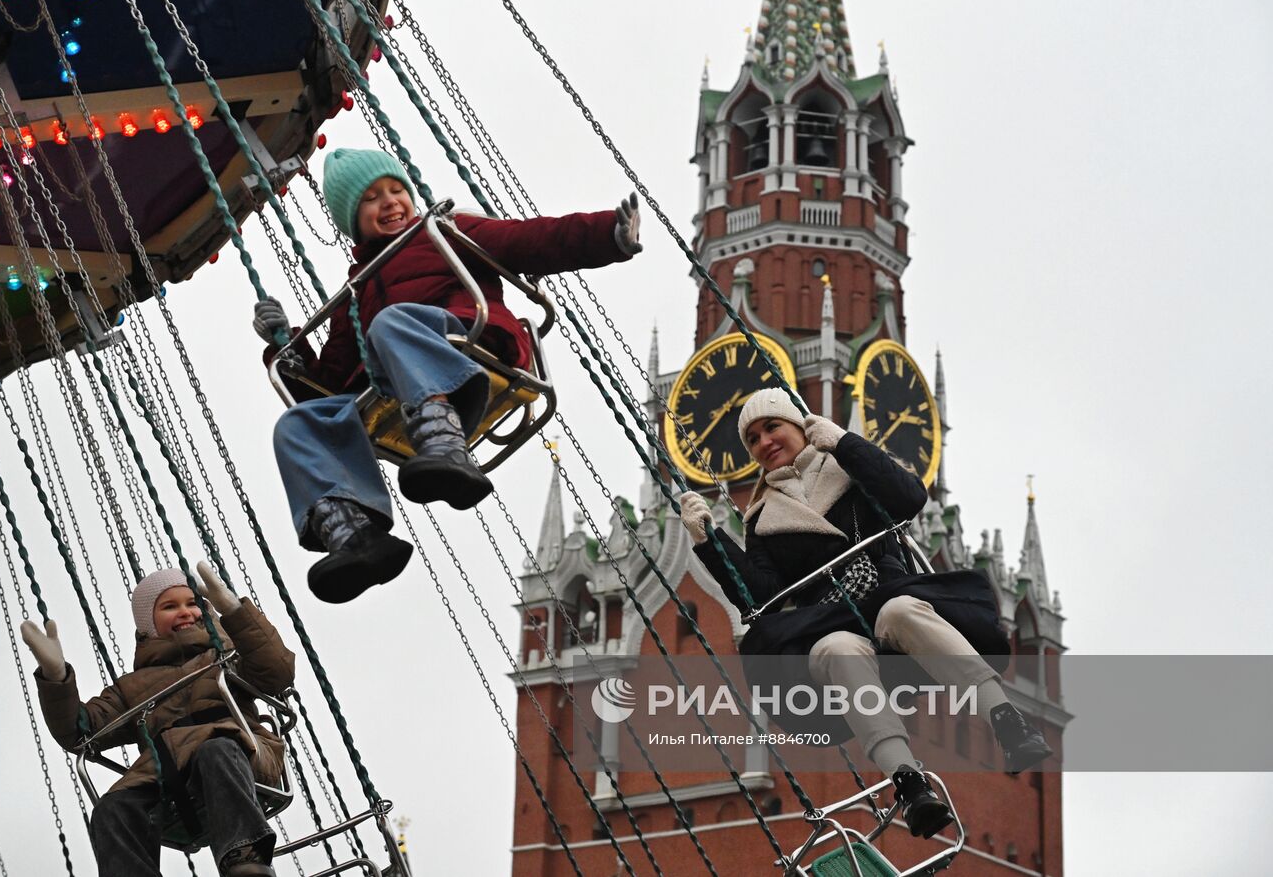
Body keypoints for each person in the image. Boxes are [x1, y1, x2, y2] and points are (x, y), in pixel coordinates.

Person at [256, 148, 641, 604]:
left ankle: (443, 435)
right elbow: (331, 382)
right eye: (372, 198)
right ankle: (354, 533)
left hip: (469, 342)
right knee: (296, 425)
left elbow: (529, 239)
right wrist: (287, 345)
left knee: (391, 323)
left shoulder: (444, 231)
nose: (390, 202)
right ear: (353, 220)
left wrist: (607, 235)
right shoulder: (354, 295)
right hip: (395, 381)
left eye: (396, 190)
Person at [680, 387, 1051, 840]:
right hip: (831, 624)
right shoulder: (761, 519)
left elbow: (908, 497)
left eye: (772, 426)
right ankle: (909, 784)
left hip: (889, 603)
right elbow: (761, 598)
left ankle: (1008, 721)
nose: (765, 442)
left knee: (901, 610)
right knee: (838, 649)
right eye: (753, 438)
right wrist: (711, 543)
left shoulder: (849, 468)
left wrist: (844, 443)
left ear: (798, 425)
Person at [21, 564, 295, 877]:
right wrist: (56, 678)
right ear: (147, 624)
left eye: (193, 603)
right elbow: (80, 732)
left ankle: (245, 858)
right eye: (170, 606)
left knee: (215, 751)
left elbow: (276, 672)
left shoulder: (227, 655)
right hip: (167, 776)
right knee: (112, 808)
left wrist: (234, 611)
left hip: (241, 754)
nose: (185, 612)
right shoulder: (130, 688)